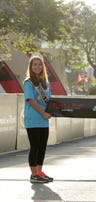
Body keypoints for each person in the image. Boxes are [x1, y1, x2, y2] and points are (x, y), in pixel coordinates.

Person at [23, 54, 53, 183]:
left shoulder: (46, 83)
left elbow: (49, 101)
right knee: (34, 146)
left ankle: (39, 172)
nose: (37, 67)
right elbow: (31, 101)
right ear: (30, 67)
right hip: (33, 119)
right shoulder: (28, 82)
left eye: (39, 64)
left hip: (44, 120)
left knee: (42, 147)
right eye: (34, 64)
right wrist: (43, 113)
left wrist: (51, 112)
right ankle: (33, 174)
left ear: (43, 66)